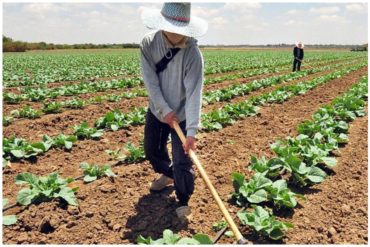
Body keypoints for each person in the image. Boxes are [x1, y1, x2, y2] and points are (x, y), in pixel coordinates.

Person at [139, 3, 208, 220]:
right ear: (161, 24)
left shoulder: (193, 55)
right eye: (171, 28)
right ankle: (169, 175)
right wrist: (165, 110)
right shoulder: (148, 44)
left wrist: (191, 133)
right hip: (158, 110)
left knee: (183, 160)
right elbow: (151, 82)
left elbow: (194, 93)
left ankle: (183, 199)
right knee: (151, 150)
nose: (177, 34)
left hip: (184, 114)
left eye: (181, 29)